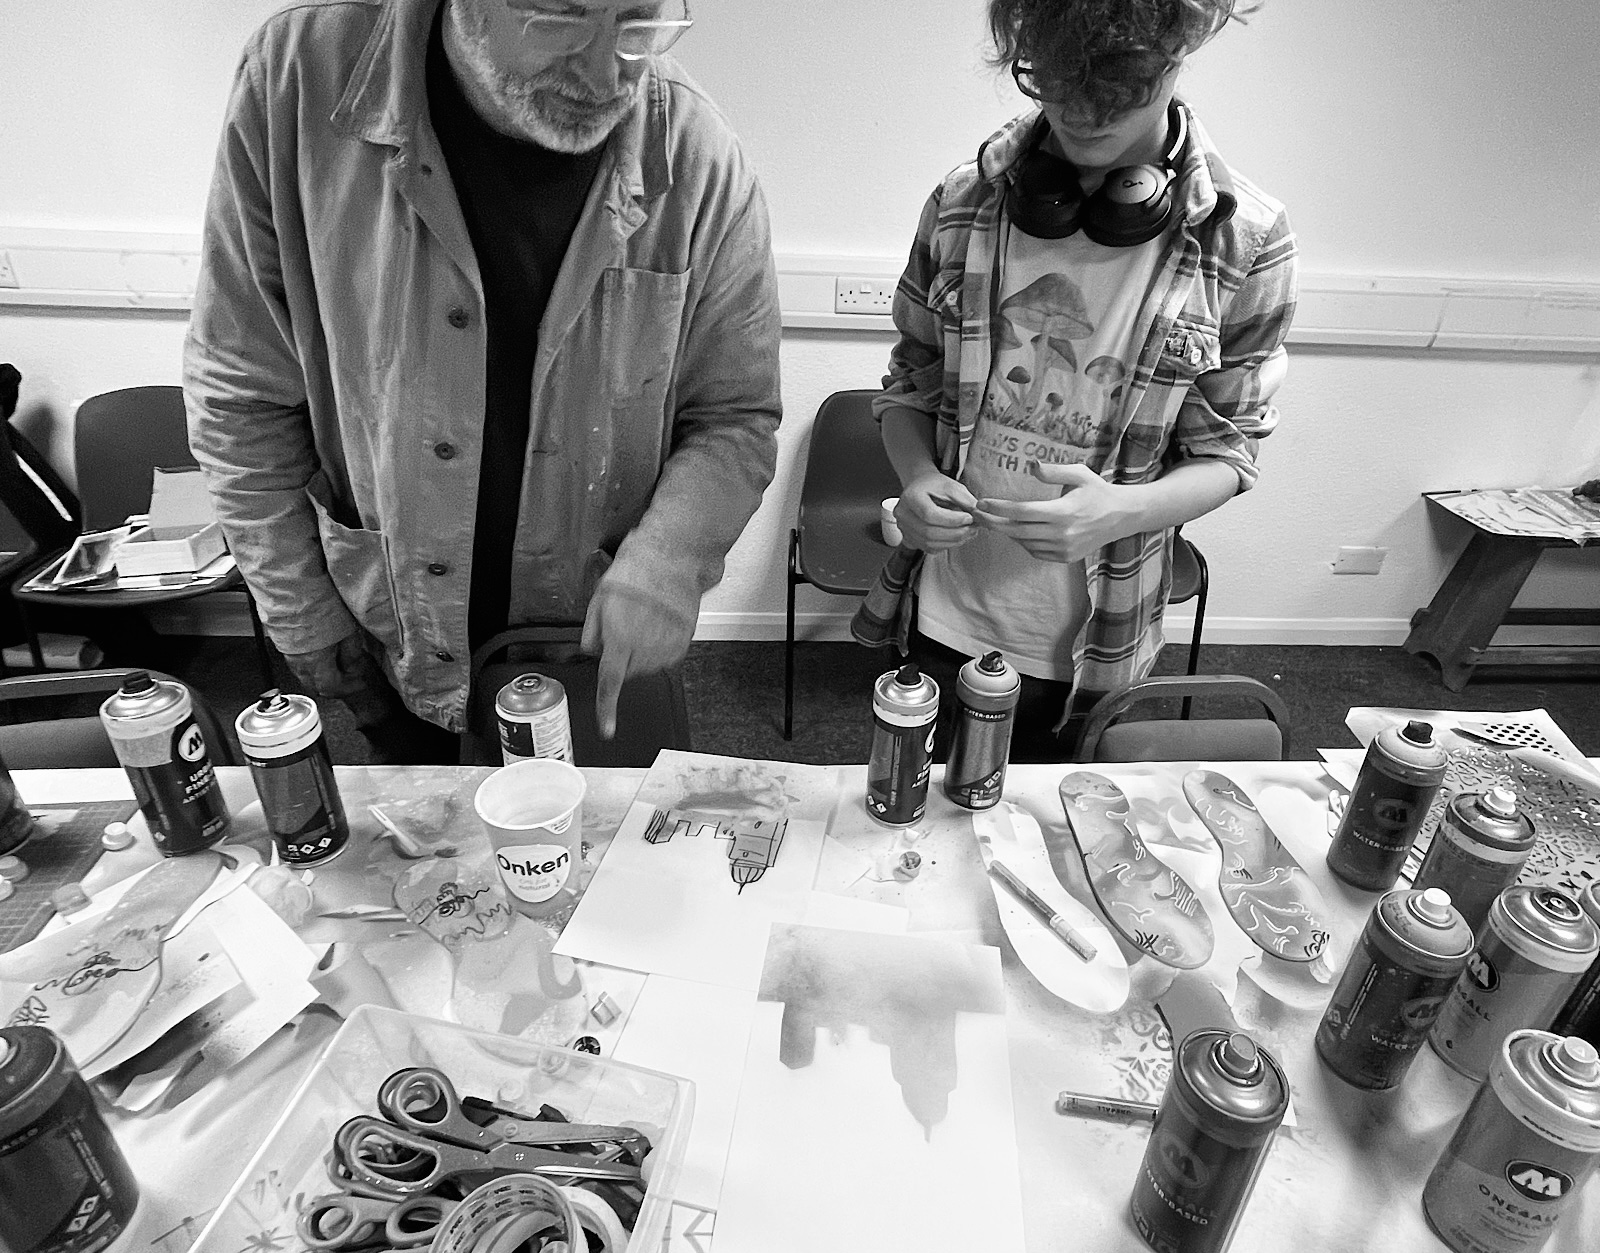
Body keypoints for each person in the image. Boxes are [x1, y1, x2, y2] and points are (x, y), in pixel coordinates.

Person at [185, 0, 781, 759]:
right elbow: (240, 392)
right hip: (388, 635)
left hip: (581, 643)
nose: (608, 74)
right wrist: (298, 606)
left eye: (641, 20)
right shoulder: (296, 84)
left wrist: (669, 553)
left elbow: (735, 415)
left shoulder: (700, 159)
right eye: (560, 19)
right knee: (423, 865)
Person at [859, 0, 1296, 760]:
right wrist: (919, 475)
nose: (1083, 114)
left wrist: (1121, 512)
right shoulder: (963, 201)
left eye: (1117, 90)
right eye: (1056, 84)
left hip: (1097, 637)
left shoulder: (1245, 236)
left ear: (1177, 51)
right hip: (944, 607)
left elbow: (1230, 457)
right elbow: (908, 385)